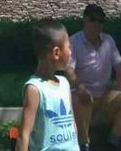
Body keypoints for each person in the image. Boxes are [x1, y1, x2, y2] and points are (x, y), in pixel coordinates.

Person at [64, 4, 121, 151]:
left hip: (105, 94)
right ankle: (83, 144)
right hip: (83, 94)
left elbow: (119, 66)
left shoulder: (108, 41)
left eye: (101, 21)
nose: (97, 24)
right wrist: (80, 88)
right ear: (85, 20)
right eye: (93, 20)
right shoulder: (74, 41)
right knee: (79, 99)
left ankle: (116, 141)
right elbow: (69, 70)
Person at [18, 19, 81, 151]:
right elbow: (24, 135)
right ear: (56, 52)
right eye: (69, 47)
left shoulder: (64, 83)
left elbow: (72, 123)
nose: (71, 52)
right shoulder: (34, 89)